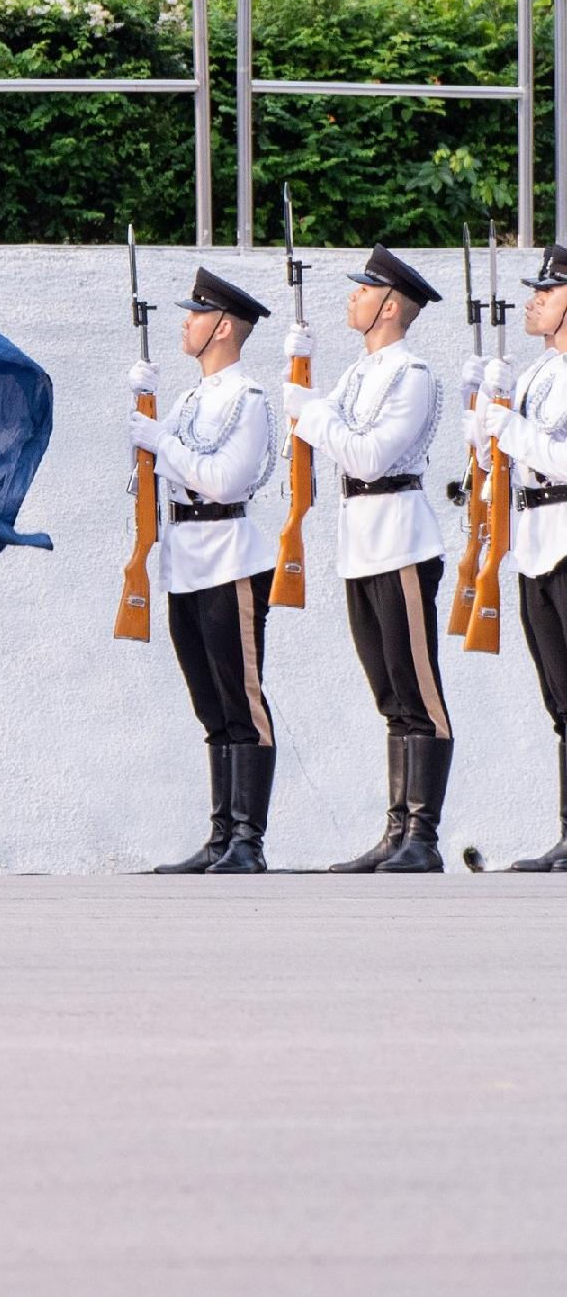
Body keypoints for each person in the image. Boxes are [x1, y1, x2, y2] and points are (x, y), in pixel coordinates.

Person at [290, 244, 453, 873]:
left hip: (402, 541)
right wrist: (314, 407)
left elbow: (368, 456)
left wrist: (311, 413)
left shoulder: (411, 375)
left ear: (389, 306)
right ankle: (395, 832)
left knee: (420, 691)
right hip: (359, 543)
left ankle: (424, 837)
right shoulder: (358, 374)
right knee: (389, 694)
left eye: (363, 291)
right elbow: (331, 430)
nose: (352, 298)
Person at [131, 266, 283, 876]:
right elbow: (159, 471)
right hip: (185, 560)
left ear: (223, 327)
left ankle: (249, 839)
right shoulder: (193, 398)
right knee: (210, 705)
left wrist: (159, 440)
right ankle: (221, 836)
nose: (186, 324)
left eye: (196, 315)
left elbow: (223, 479)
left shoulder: (247, 399)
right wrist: (145, 416)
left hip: (230, 558)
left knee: (242, 700)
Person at [487, 246, 567, 871]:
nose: (534, 299)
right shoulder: (540, 371)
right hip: (535, 538)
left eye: (549, 289)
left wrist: (505, 426)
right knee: (559, 698)